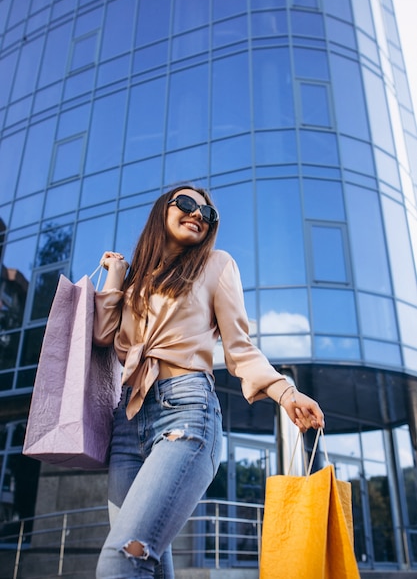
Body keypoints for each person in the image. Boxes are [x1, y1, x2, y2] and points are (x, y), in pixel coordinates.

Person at [94, 185, 325, 579]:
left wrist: (285, 391)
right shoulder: (135, 281)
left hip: (186, 414)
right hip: (128, 424)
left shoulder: (216, 265)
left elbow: (241, 349)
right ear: (161, 212)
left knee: (122, 561)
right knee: (148, 564)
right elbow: (103, 337)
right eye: (186, 204)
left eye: (208, 213)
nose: (198, 214)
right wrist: (116, 277)